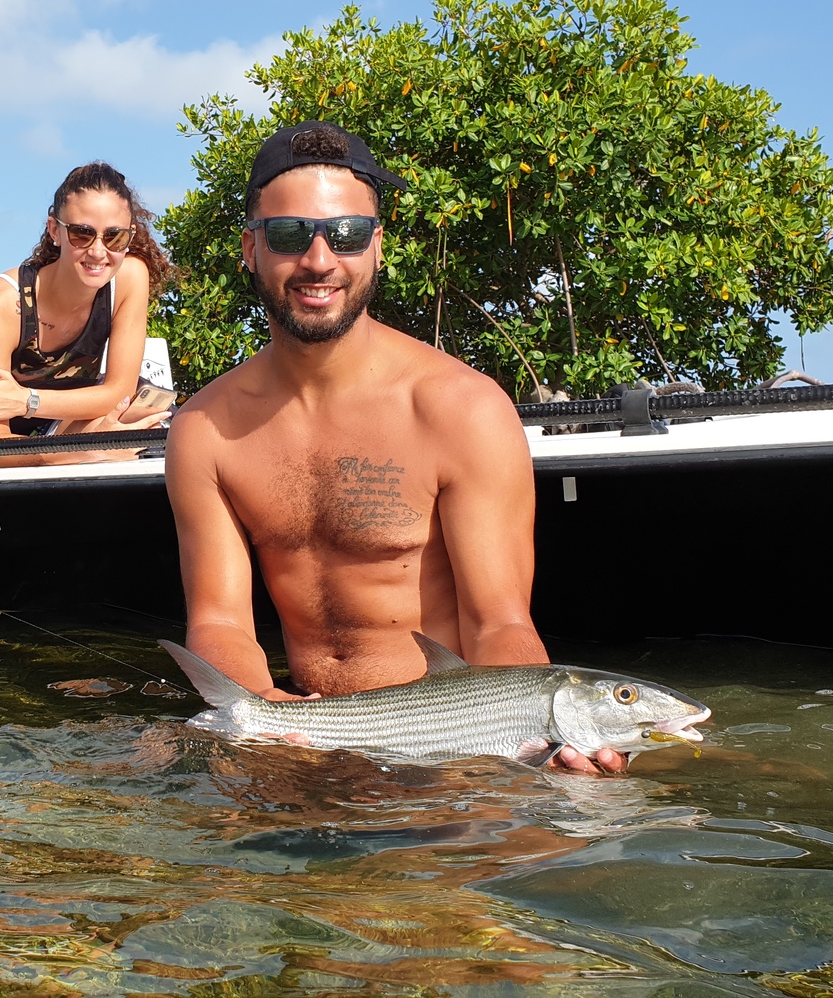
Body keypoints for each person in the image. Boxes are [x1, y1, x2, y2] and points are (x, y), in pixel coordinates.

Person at [163, 121, 626, 774]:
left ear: (377, 247)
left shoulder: (463, 410)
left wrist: (538, 737)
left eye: (346, 233)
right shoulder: (204, 428)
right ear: (251, 248)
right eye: (291, 234)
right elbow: (221, 621)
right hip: (303, 748)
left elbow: (498, 624)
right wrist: (260, 710)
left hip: (448, 759)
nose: (319, 260)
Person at [0, 162, 173, 466]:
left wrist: (26, 401)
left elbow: (118, 391)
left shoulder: (129, 278)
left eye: (114, 237)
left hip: (49, 430)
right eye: (82, 234)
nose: (98, 251)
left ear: (130, 237)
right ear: (55, 230)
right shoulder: (5, 303)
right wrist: (83, 451)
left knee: (138, 411)